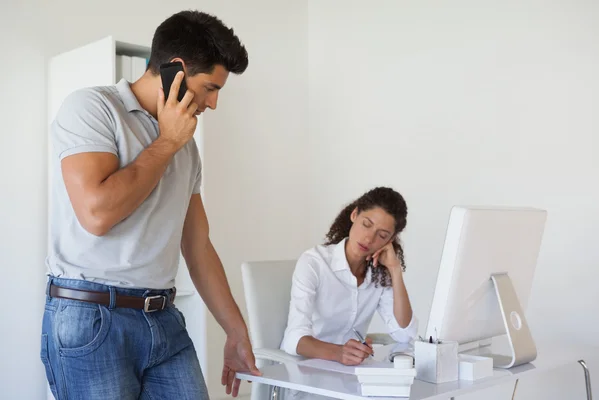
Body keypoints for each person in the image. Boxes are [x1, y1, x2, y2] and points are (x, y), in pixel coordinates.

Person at [41, 10, 260, 400]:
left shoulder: (186, 147)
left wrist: (236, 331)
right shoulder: (92, 109)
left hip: (162, 318)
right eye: (210, 87)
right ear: (176, 70)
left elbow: (198, 245)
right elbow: (97, 213)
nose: (213, 104)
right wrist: (166, 143)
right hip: (92, 319)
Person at [281, 187, 418, 367]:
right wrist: (339, 353)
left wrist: (395, 270)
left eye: (382, 235)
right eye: (366, 224)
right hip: (307, 372)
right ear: (354, 215)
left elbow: (404, 334)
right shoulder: (314, 263)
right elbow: (293, 338)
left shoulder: (379, 275)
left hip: (351, 377)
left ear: (389, 241)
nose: (369, 238)